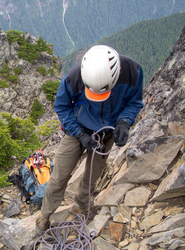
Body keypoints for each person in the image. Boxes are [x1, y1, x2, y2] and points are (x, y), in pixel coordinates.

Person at [36, 45, 143, 233]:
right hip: (77, 129)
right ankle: (45, 215)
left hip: (106, 133)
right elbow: (61, 106)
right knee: (60, 175)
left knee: (92, 174)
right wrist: (78, 133)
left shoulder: (132, 72)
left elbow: (134, 102)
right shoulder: (75, 76)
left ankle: (82, 206)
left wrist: (125, 122)